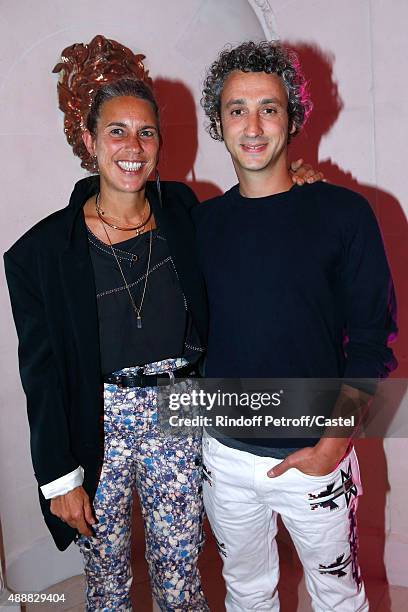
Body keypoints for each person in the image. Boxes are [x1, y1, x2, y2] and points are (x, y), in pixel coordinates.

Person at [4, 36, 318, 611]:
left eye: (146, 132)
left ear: (160, 144)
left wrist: (292, 181)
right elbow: (41, 373)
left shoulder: (186, 212)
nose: (133, 146)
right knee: (107, 577)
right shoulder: (41, 254)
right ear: (89, 141)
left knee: (181, 571)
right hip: (98, 418)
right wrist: (58, 476)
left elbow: (251, 219)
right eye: (117, 131)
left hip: (181, 406)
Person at [195, 41, 397, 611]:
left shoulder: (345, 214)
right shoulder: (201, 224)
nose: (253, 125)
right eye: (237, 109)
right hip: (225, 459)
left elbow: (370, 340)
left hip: (316, 454)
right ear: (218, 121)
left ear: (292, 117)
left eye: (269, 108)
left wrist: (333, 443)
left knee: (336, 596)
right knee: (247, 592)